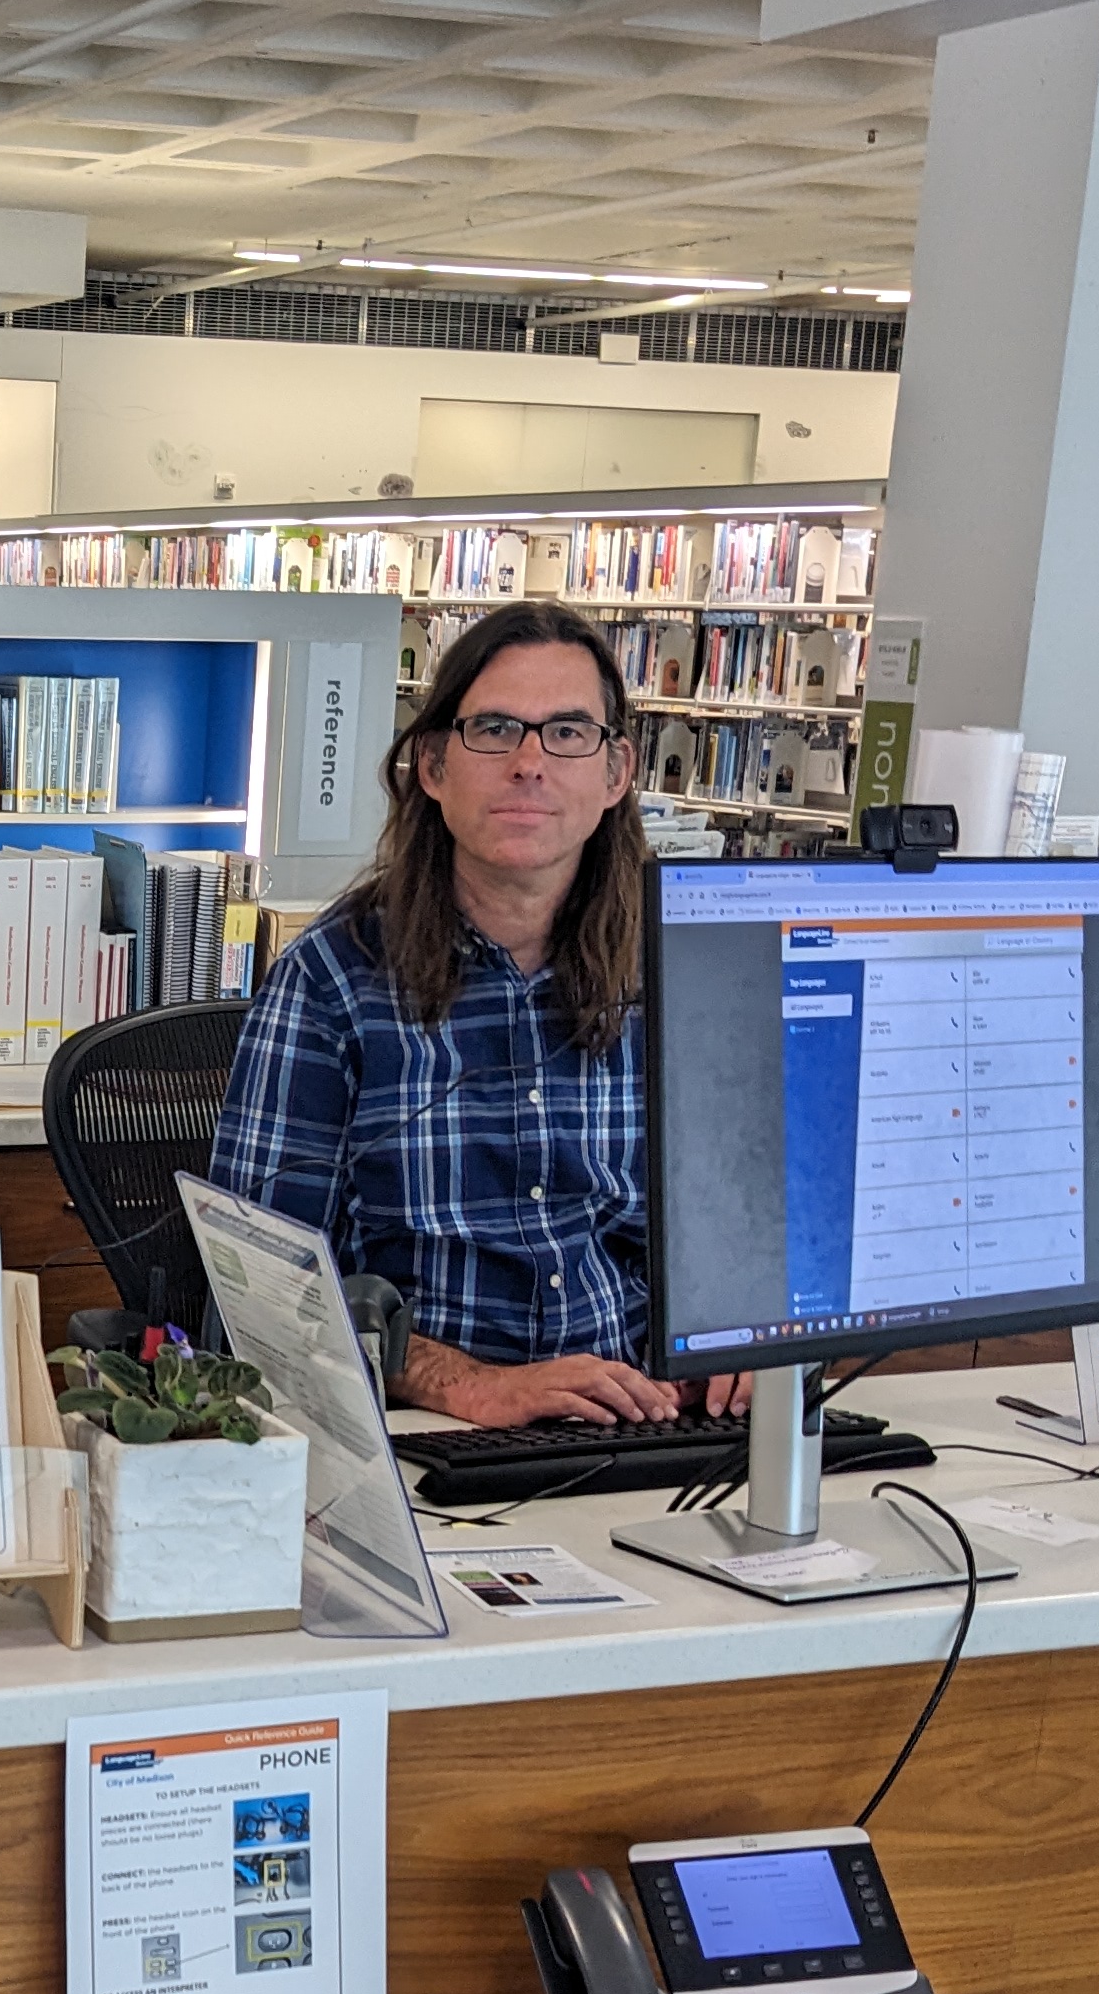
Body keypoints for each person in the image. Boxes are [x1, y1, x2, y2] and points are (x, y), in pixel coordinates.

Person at [207, 598, 735, 1427]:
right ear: (432, 766)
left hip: (641, 1419)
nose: (530, 762)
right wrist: (468, 1385)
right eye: (493, 729)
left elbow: (728, 1229)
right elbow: (255, 1285)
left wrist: (738, 1346)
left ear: (617, 773)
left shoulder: (671, 978)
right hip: (423, 1438)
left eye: (567, 732)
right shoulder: (334, 983)